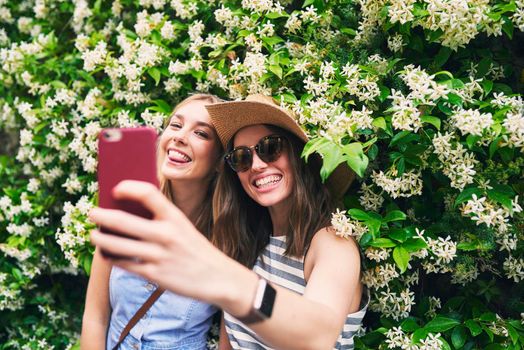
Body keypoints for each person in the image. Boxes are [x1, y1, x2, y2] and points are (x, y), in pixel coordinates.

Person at [89, 94, 367, 350]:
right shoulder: (251, 240)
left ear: (298, 154)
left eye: (270, 148)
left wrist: (222, 277)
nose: (256, 165)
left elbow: (318, 334)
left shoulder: (331, 242)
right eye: (242, 157)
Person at [81, 93, 224, 350]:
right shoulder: (125, 215)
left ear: (219, 161)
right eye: (176, 125)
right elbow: (95, 317)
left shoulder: (227, 237)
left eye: (201, 133)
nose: (180, 137)